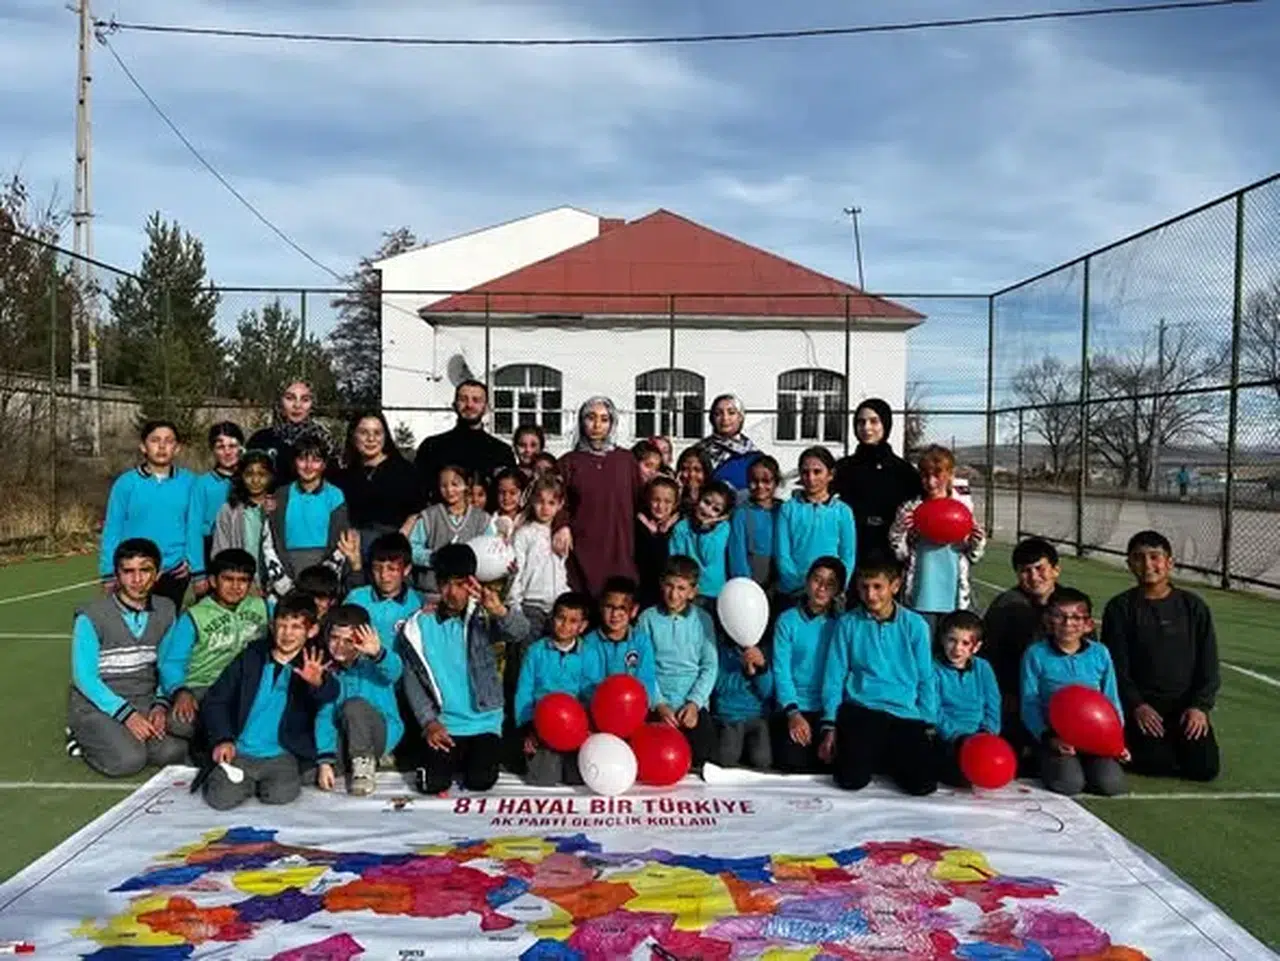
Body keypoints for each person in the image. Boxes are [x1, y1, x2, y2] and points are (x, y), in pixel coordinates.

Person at [396, 544, 530, 794]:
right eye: (446, 584)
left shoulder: (483, 616)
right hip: (444, 723)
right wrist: (429, 722)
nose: (452, 593)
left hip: (484, 722)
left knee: (481, 780)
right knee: (431, 784)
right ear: (437, 583)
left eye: (460, 584)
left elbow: (520, 631)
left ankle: (474, 754)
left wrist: (499, 610)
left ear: (472, 583)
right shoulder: (419, 624)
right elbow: (412, 677)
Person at [199, 592, 337, 810]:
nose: (287, 634)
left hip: (281, 753)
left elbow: (328, 698)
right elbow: (216, 699)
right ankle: (243, 780)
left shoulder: (314, 663)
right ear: (272, 627)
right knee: (220, 798)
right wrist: (223, 739)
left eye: (296, 627)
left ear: (311, 631)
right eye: (282, 626)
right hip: (240, 750)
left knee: (279, 795)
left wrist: (317, 683)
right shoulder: (252, 656)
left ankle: (283, 775)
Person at [1101, 530, 1220, 782]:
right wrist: (1137, 706)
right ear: (1129, 564)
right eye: (1139, 558)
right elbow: (1116, 667)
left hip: (1184, 705)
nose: (1148, 565)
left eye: (1155, 557)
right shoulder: (1120, 608)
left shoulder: (1193, 606)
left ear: (1169, 562)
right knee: (1155, 764)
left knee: (1204, 769)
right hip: (1144, 707)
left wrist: (1199, 707)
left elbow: (1208, 663)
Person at [819, 553, 938, 796]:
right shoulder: (848, 623)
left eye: (878, 587)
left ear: (895, 586)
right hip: (862, 708)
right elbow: (834, 675)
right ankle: (874, 753)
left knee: (923, 785)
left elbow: (926, 677)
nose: (871, 595)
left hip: (903, 712)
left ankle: (890, 754)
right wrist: (830, 723)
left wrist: (927, 722)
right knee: (850, 780)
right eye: (864, 587)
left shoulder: (915, 625)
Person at [67, 538, 188, 777]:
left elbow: (167, 665)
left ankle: (120, 736)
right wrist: (127, 715)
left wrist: (160, 704)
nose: (137, 579)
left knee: (172, 752)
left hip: (142, 698)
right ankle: (79, 736)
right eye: (128, 571)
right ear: (117, 575)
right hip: (98, 703)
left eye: (145, 570)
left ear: (158, 573)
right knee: (129, 761)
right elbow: (85, 677)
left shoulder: (166, 610)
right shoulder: (91, 616)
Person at [1021, 587, 1129, 797]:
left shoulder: (1100, 653)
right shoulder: (1036, 654)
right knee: (1069, 783)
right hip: (1056, 737)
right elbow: (1029, 703)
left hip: (1095, 737)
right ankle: (1042, 759)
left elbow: (1111, 699)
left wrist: (1117, 740)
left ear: (1088, 624)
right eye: (1060, 617)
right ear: (1049, 621)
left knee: (1111, 785)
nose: (1068, 624)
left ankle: (1089, 763)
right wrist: (1049, 738)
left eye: (1076, 618)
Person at [159, 549, 269, 744]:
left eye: (243, 580)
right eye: (228, 579)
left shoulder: (263, 607)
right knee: (179, 723)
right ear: (213, 581)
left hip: (245, 684)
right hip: (202, 686)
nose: (235, 586)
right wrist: (180, 691)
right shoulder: (194, 616)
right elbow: (172, 662)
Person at [100, 420, 198, 610]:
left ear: (177, 448)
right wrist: (108, 572)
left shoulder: (190, 482)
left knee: (166, 631)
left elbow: (194, 527)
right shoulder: (126, 483)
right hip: (133, 572)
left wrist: (190, 560)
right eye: (155, 440)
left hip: (173, 572)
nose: (162, 446)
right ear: (143, 446)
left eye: (169, 441)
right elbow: (113, 528)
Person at [889, 445, 986, 634]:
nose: (931, 482)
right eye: (925, 476)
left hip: (954, 597)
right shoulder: (911, 508)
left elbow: (974, 556)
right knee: (921, 650)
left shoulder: (963, 509)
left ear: (950, 474)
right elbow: (900, 553)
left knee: (951, 652)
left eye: (937, 475)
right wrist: (900, 531)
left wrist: (977, 541)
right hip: (920, 595)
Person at [982, 537, 1062, 766]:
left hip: (1060, 696)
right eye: (1026, 571)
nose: (1034, 577)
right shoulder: (1005, 605)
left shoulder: (1070, 604)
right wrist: (1004, 694)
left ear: (1055, 570)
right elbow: (988, 655)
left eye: (1040, 569)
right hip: (1017, 698)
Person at [637, 555, 718, 769]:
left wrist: (694, 703)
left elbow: (709, 666)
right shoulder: (647, 619)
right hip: (659, 703)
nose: (674, 594)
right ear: (661, 585)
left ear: (693, 591)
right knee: (652, 759)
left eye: (681, 589)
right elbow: (643, 668)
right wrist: (660, 704)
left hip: (691, 704)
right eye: (669, 586)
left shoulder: (703, 620)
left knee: (704, 757)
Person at [315, 604, 404, 796]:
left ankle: (365, 765)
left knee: (354, 706)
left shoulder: (373, 664)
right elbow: (324, 716)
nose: (340, 646)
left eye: (349, 641)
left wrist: (377, 653)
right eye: (335, 638)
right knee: (308, 773)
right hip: (345, 738)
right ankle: (344, 763)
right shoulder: (327, 669)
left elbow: (395, 671)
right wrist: (325, 762)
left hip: (378, 736)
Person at [560, 397, 641, 598]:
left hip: (620, 545)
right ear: (581, 421)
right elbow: (559, 503)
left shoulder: (626, 460)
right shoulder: (568, 463)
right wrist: (562, 525)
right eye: (591, 417)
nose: (597, 425)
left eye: (604, 419)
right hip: (583, 547)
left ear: (612, 423)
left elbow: (639, 499)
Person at [771, 557, 843, 774]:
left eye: (830, 584)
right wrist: (793, 713)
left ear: (838, 590)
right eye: (817, 580)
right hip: (795, 706)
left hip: (828, 708)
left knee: (834, 761)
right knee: (792, 762)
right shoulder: (787, 620)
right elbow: (781, 670)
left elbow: (839, 676)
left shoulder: (842, 624)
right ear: (807, 581)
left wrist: (831, 723)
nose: (821, 588)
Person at [514, 592, 594, 786]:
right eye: (560, 618)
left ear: (582, 626)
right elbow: (524, 692)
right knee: (542, 779)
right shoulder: (536, 651)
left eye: (573, 621)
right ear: (552, 618)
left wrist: (590, 727)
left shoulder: (589, 653)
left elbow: (591, 692)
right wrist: (529, 729)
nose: (565, 625)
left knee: (578, 778)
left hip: (576, 727)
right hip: (543, 725)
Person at [262, 439, 355, 599]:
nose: (308, 466)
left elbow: (339, 541)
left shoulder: (335, 495)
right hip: (288, 567)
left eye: (316, 460)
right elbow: (273, 537)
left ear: (324, 465)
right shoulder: (281, 495)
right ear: (294, 462)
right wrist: (283, 580)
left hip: (323, 568)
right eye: (302, 459)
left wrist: (323, 578)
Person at [833, 399, 923, 565]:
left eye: (874, 421)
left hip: (889, 555)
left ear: (885, 424)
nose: (866, 428)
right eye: (861, 422)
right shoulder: (842, 468)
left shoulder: (904, 471)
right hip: (850, 551)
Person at [333, 411, 423, 569]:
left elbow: (417, 511)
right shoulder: (343, 475)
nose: (371, 439)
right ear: (353, 436)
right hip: (353, 551)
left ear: (385, 436)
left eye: (377, 433)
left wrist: (400, 540)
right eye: (364, 433)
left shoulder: (405, 471)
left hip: (393, 549)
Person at [775, 447, 856, 601]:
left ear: (830, 474)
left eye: (817, 472)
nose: (810, 478)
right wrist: (800, 585)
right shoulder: (788, 509)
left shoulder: (843, 511)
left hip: (830, 592)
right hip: (794, 592)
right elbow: (783, 554)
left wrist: (838, 585)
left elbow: (848, 555)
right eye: (805, 472)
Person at [414, 380, 516, 502]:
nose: (469, 405)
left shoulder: (501, 451)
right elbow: (418, 492)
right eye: (463, 399)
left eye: (476, 400)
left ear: (487, 408)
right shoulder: (432, 447)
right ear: (454, 405)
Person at [932, 611, 1001, 787]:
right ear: (942, 639)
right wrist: (955, 736)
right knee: (955, 777)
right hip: (950, 738)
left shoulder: (983, 668)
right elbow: (934, 708)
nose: (957, 649)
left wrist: (988, 732)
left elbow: (993, 704)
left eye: (965, 643)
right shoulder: (933, 668)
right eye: (952, 640)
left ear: (975, 647)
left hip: (981, 736)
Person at [402, 464, 493, 595]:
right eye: (444, 486)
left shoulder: (482, 519)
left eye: (455, 484)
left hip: (468, 592)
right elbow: (411, 548)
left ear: (466, 485)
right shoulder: (429, 516)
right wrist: (434, 557)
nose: (449, 490)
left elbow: (489, 552)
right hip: (431, 591)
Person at [508, 474, 570, 643]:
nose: (545, 508)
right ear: (532, 502)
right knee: (527, 655)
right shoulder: (524, 533)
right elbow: (516, 572)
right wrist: (515, 606)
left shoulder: (562, 533)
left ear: (560, 505)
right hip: (531, 606)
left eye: (551, 503)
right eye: (540, 502)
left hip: (557, 606)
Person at [581, 576, 658, 706]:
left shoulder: (641, 642)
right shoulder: (589, 643)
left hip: (633, 709)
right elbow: (589, 684)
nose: (615, 614)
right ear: (601, 606)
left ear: (633, 610)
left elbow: (646, 681)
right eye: (609, 607)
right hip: (601, 709)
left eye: (622, 608)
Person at [188, 422, 244, 593]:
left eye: (233, 446)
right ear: (213, 449)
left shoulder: (251, 480)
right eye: (220, 446)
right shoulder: (203, 484)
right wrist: (198, 571)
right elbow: (194, 527)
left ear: (241, 447)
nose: (227, 452)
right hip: (213, 551)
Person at [246, 380, 336, 485]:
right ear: (279, 401)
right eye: (290, 398)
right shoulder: (261, 439)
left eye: (305, 399)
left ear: (312, 404)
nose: (297, 405)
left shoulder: (324, 440)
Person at [345, 533, 423, 649]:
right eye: (377, 568)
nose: (384, 576)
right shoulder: (356, 598)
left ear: (406, 569)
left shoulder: (419, 603)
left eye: (392, 569)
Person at [211, 451, 276, 590]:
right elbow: (221, 551)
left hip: (275, 582)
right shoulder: (229, 511)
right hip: (241, 584)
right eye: (249, 474)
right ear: (241, 476)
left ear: (270, 476)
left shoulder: (277, 507)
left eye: (262, 475)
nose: (255, 480)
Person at [668, 480, 734, 606]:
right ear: (699, 498)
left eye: (716, 509)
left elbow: (708, 556)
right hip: (687, 590)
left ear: (722, 515)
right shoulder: (682, 527)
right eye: (706, 502)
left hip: (713, 591)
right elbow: (676, 559)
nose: (708, 510)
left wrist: (707, 529)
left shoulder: (723, 528)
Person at [712, 634, 773, 770]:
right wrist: (743, 674)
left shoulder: (765, 650)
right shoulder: (721, 650)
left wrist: (761, 669)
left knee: (762, 760)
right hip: (729, 716)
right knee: (726, 759)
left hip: (756, 716)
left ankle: (746, 748)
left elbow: (767, 692)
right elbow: (719, 686)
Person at [727, 455, 781, 590]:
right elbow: (737, 552)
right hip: (751, 578)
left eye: (766, 481)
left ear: (776, 482)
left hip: (780, 579)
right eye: (754, 481)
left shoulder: (783, 510)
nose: (760, 486)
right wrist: (744, 583)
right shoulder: (742, 513)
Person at [696, 394, 761, 493]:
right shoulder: (700, 451)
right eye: (718, 413)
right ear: (712, 418)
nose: (725, 418)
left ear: (740, 417)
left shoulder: (753, 453)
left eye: (731, 413)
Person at [635, 475, 680, 609]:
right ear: (648, 500)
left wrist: (662, 533)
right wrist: (654, 535)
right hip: (644, 589)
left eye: (667, 502)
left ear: (675, 504)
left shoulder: (678, 525)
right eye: (656, 500)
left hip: (670, 590)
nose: (661, 506)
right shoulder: (639, 525)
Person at [490, 467, 528, 541]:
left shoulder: (528, 520)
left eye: (512, 493)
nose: (506, 497)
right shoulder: (489, 521)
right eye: (502, 492)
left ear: (523, 494)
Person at [675, 446, 713, 518]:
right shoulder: (672, 499)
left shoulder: (714, 499)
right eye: (685, 469)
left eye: (697, 470)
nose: (691, 475)